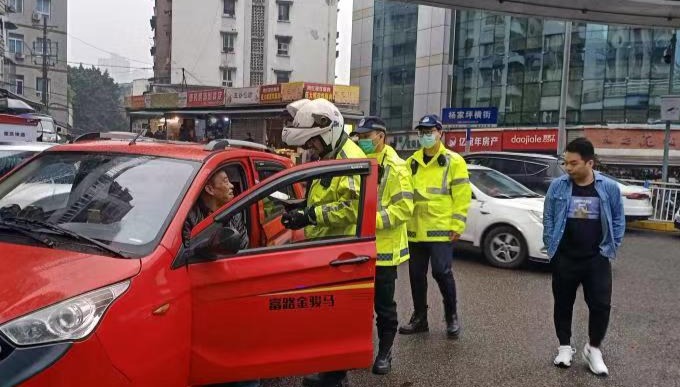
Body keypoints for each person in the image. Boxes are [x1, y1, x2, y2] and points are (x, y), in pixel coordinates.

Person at [279, 98, 364, 387]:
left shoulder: (348, 160)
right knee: (328, 316)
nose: (310, 149)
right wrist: (302, 206)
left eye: (312, 142)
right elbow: (325, 195)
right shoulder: (331, 155)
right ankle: (330, 370)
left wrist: (310, 215)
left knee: (337, 317)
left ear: (327, 131)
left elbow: (353, 208)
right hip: (326, 246)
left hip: (340, 249)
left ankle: (335, 377)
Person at [544, 138, 625, 377]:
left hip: (596, 258)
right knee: (563, 303)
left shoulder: (608, 187)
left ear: (590, 162)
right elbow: (548, 217)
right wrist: (552, 248)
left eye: (574, 163)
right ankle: (564, 347)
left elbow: (618, 220)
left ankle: (594, 348)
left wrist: (611, 247)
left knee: (601, 305)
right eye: (565, 163)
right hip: (565, 257)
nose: (568, 168)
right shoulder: (558, 186)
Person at [399, 114, 471, 339]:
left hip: (440, 228)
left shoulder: (454, 161)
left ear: (440, 132)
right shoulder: (411, 162)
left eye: (430, 132)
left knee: (442, 273)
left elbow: (462, 195)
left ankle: (452, 317)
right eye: (422, 132)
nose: (425, 136)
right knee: (416, 276)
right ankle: (420, 318)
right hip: (414, 228)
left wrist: (457, 224)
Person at [354, 116, 414, 375]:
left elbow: (404, 209)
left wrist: (371, 221)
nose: (362, 140)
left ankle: (385, 353)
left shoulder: (397, 168)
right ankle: (358, 348)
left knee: (383, 306)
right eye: (360, 137)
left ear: (381, 136)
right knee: (358, 304)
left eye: (367, 136)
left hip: (384, 251)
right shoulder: (359, 162)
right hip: (359, 248)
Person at [184, 169, 248, 251]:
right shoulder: (190, 217)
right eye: (226, 182)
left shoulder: (234, 214)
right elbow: (189, 255)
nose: (232, 185)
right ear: (210, 189)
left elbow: (242, 248)